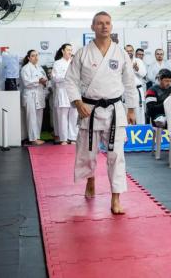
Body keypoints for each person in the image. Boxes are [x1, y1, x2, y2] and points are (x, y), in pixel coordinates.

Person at [65, 11, 136, 215]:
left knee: (117, 156)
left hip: (115, 110)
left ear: (111, 26)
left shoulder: (120, 53)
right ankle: (90, 178)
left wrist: (131, 108)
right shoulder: (82, 53)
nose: (104, 26)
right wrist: (77, 103)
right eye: (100, 23)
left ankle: (116, 198)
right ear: (92, 27)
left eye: (107, 23)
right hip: (90, 110)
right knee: (88, 153)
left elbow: (129, 82)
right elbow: (70, 80)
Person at [145, 69, 171, 162]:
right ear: (160, 79)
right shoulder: (151, 90)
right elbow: (151, 109)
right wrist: (167, 101)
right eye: (166, 81)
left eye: (170, 81)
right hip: (158, 118)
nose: (169, 83)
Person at [51, 43, 78, 145]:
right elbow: (55, 78)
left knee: (74, 115)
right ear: (63, 51)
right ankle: (63, 138)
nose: (70, 52)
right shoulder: (57, 63)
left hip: (73, 92)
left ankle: (73, 137)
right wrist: (66, 77)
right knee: (62, 116)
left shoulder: (74, 63)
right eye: (68, 50)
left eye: (71, 50)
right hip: (62, 92)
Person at [21, 49, 48, 145]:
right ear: (28, 58)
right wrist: (38, 81)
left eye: (37, 55)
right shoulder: (25, 68)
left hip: (39, 95)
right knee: (31, 118)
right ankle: (33, 139)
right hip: (30, 96)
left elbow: (45, 79)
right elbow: (27, 82)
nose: (35, 57)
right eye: (33, 55)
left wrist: (45, 82)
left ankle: (37, 137)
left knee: (38, 118)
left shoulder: (39, 68)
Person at [127, 47, 147, 124]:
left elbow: (143, 74)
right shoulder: (122, 61)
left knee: (139, 114)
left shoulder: (138, 61)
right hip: (127, 91)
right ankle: (128, 134)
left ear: (133, 51)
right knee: (127, 112)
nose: (129, 52)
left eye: (130, 50)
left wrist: (136, 68)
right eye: (127, 51)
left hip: (137, 90)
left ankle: (141, 133)